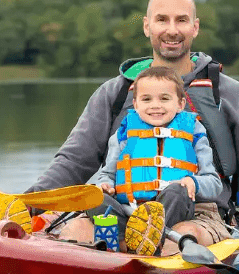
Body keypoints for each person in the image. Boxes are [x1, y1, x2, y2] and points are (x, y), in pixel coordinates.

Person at [0, 0, 239, 255]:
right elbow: (73, 163)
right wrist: (26, 203)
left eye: (181, 20)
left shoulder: (230, 95)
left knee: (176, 239)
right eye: (161, 20)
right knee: (79, 234)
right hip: (124, 210)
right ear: (146, 27)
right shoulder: (114, 94)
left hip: (200, 214)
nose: (171, 30)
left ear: (195, 28)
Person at [94, 66, 224, 255]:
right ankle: (137, 238)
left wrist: (193, 183)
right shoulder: (123, 133)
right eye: (146, 99)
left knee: (177, 191)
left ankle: (150, 239)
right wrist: (103, 184)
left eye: (164, 98)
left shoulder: (194, 131)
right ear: (136, 104)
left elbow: (214, 184)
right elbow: (107, 174)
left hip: (172, 209)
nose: (155, 105)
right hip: (129, 211)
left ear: (180, 104)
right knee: (97, 199)